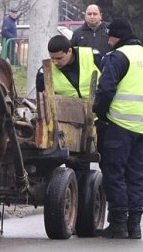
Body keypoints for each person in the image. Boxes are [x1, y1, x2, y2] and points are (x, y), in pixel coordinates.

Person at [93, 18, 143, 239]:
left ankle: (118, 224)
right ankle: (135, 225)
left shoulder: (118, 57)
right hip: (142, 127)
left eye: (110, 36)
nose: (108, 41)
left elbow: (105, 90)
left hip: (119, 126)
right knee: (136, 176)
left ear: (117, 36)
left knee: (114, 173)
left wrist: (100, 115)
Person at [36, 35, 102, 181]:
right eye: (52, 58)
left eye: (59, 58)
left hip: (95, 119)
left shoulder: (92, 57)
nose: (55, 62)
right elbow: (42, 101)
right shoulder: (45, 72)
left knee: (91, 165)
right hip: (64, 124)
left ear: (69, 51)